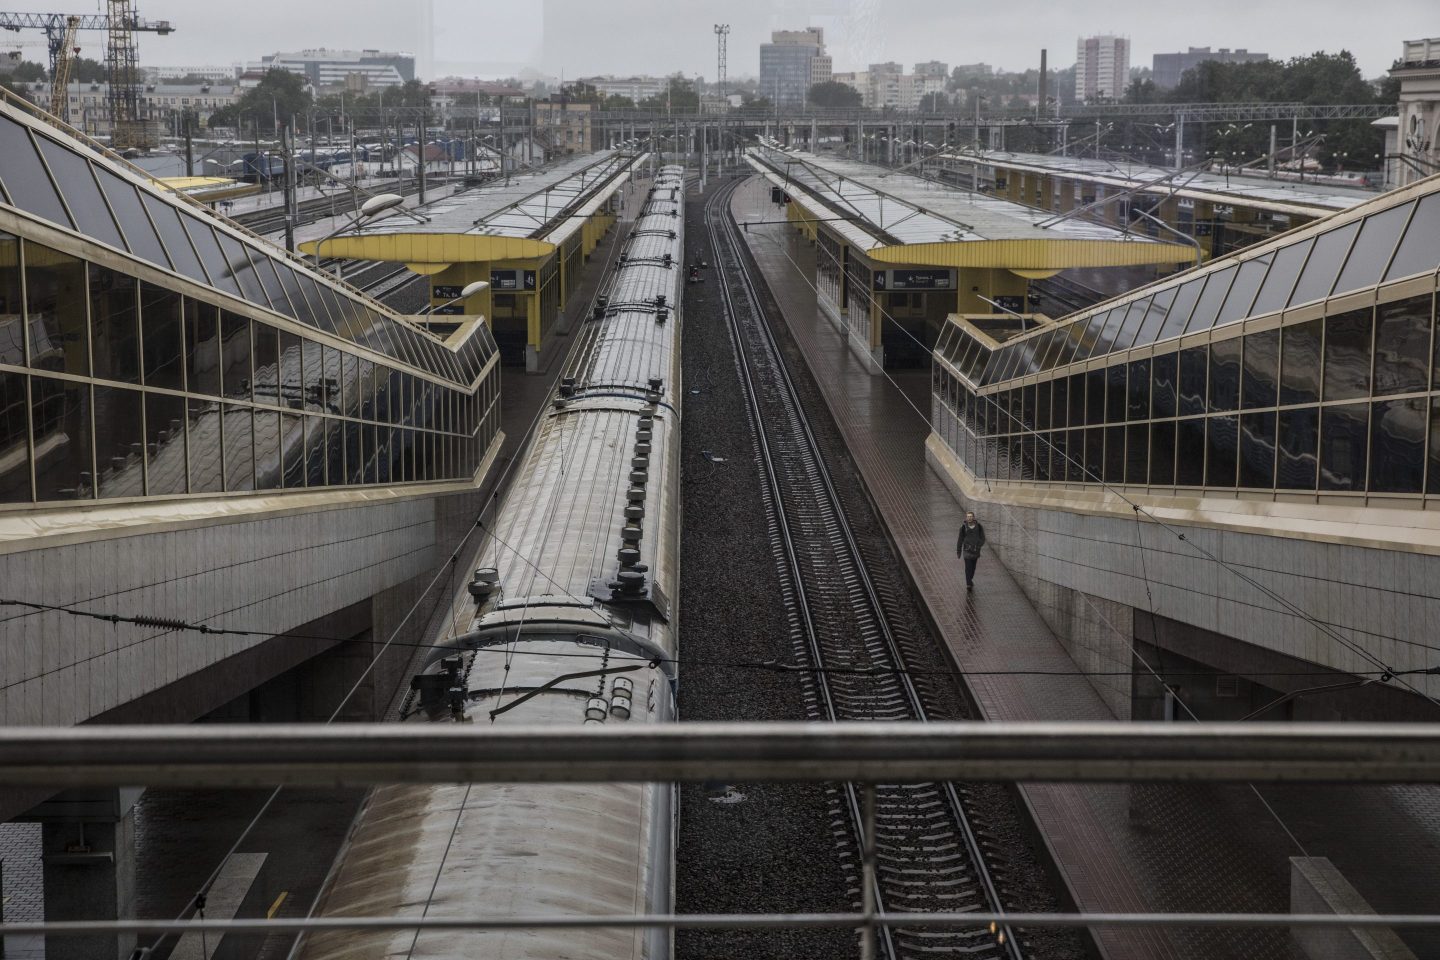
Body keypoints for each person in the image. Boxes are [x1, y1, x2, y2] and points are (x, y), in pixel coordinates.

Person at [956, 511, 986, 591]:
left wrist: (979, 545)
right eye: (968, 516)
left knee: (973, 568)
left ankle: (970, 579)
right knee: (968, 568)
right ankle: (968, 583)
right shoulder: (963, 527)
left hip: (975, 552)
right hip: (967, 551)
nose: (969, 518)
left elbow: (983, 538)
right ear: (966, 518)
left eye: (971, 516)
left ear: (973, 517)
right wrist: (959, 552)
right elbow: (960, 540)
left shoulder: (979, 526)